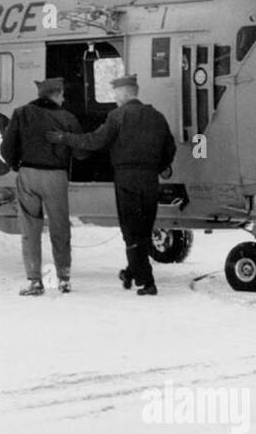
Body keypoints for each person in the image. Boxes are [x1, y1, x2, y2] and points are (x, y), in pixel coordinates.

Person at [48, 75, 176, 295]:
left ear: (125, 94)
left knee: (131, 232)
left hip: (127, 179)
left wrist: (64, 138)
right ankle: (131, 272)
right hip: (150, 180)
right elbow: (170, 149)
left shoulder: (118, 116)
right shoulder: (157, 117)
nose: (114, 97)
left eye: (116, 93)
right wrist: (156, 167)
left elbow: (94, 141)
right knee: (144, 230)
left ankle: (147, 282)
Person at [1, 77, 84, 295]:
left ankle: (35, 281)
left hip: (28, 174)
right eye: (62, 94)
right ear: (56, 95)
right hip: (56, 176)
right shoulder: (67, 118)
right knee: (59, 227)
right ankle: (63, 279)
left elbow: (7, 147)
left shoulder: (21, 113)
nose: (64, 98)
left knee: (30, 228)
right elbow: (82, 152)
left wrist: (16, 165)